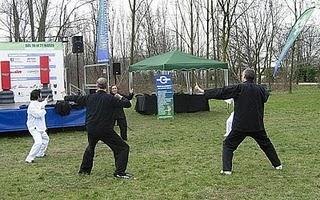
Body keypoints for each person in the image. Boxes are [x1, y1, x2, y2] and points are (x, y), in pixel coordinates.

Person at [194, 68, 282, 175]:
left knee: (228, 145)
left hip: (241, 126)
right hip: (257, 125)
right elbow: (265, 97)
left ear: (244, 77)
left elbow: (222, 92)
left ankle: (227, 170)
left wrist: (204, 92)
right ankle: (277, 165)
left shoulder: (239, 88)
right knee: (266, 145)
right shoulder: (260, 89)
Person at [64, 78, 132, 179]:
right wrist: (119, 96)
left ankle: (84, 171)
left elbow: (76, 98)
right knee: (122, 148)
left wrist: (65, 97)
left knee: (90, 148)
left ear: (96, 85)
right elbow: (128, 104)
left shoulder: (89, 97)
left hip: (91, 128)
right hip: (105, 129)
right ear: (107, 86)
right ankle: (119, 172)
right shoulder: (111, 98)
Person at [25, 89, 50, 163]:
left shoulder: (37, 103)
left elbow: (42, 104)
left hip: (40, 128)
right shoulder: (31, 106)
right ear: (37, 96)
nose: (41, 96)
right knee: (38, 142)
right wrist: (43, 110)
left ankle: (40, 153)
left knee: (46, 140)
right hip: (34, 128)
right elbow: (38, 114)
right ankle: (29, 158)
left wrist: (46, 101)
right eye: (40, 94)